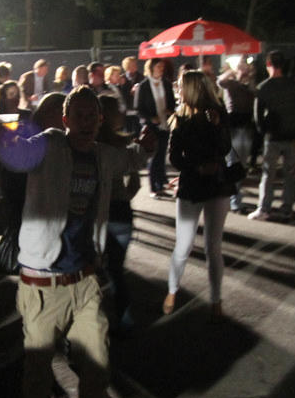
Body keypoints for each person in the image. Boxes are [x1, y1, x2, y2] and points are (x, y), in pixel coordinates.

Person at [0, 86, 153, 398]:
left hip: (83, 280)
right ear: (65, 120)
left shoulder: (102, 155)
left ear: (100, 119)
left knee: (96, 363)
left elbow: (130, 159)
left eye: (91, 115)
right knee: (38, 369)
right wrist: (4, 126)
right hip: (41, 281)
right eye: (78, 115)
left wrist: (147, 145)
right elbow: (15, 155)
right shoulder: (49, 145)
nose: (85, 121)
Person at [163, 70, 236, 322]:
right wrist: (197, 168)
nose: (178, 89)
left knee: (212, 248)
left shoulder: (217, 113)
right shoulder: (180, 117)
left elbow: (226, 148)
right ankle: (172, 290)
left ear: (193, 88)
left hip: (217, 185)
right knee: (183, 245)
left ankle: (216, 300)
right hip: (192, 184)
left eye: (181, 86)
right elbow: (174, 156)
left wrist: (217, 126)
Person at [250, 50, 295, 221]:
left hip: (272, 135)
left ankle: (264, 208)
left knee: (268, 174)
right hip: (292, 134)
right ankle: (287, 207)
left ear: (268, 64)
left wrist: (264, 130)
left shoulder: (263, 87)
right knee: (290, 173)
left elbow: (257, 116)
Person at [97, 95, 140, 335]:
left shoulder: (89, 143)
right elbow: (135, 184)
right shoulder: (125, 144)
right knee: (115, 270)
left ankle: (90, 324)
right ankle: (125, 320)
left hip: (96, 212)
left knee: (89, 269)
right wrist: (121, 197)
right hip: (120, 210)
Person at [133, 59, 176, 198]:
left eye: (162, 67)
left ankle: (160, 186)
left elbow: (172, 102)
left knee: (162, 156)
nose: (161, 69)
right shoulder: (143, 86)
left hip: (165, 124)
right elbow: (138, 109)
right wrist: (151, 118)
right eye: (158, 67)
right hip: (152, 126)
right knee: (154, 157)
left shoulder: (166, 84)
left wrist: (170, 110)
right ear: (151, 68)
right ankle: (153, 188)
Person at [218, 62, 257, 213]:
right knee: (233, 163)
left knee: (241, 165)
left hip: (246, 126)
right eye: (242, 69)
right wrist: (232, 70)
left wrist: (248, 80)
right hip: (233, 126)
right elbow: (220, 81)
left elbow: (256, 96)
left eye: (247, 69)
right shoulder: (231, 84)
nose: (245, 72)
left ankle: (232, 198)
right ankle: (233, 200)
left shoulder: (250, 86)